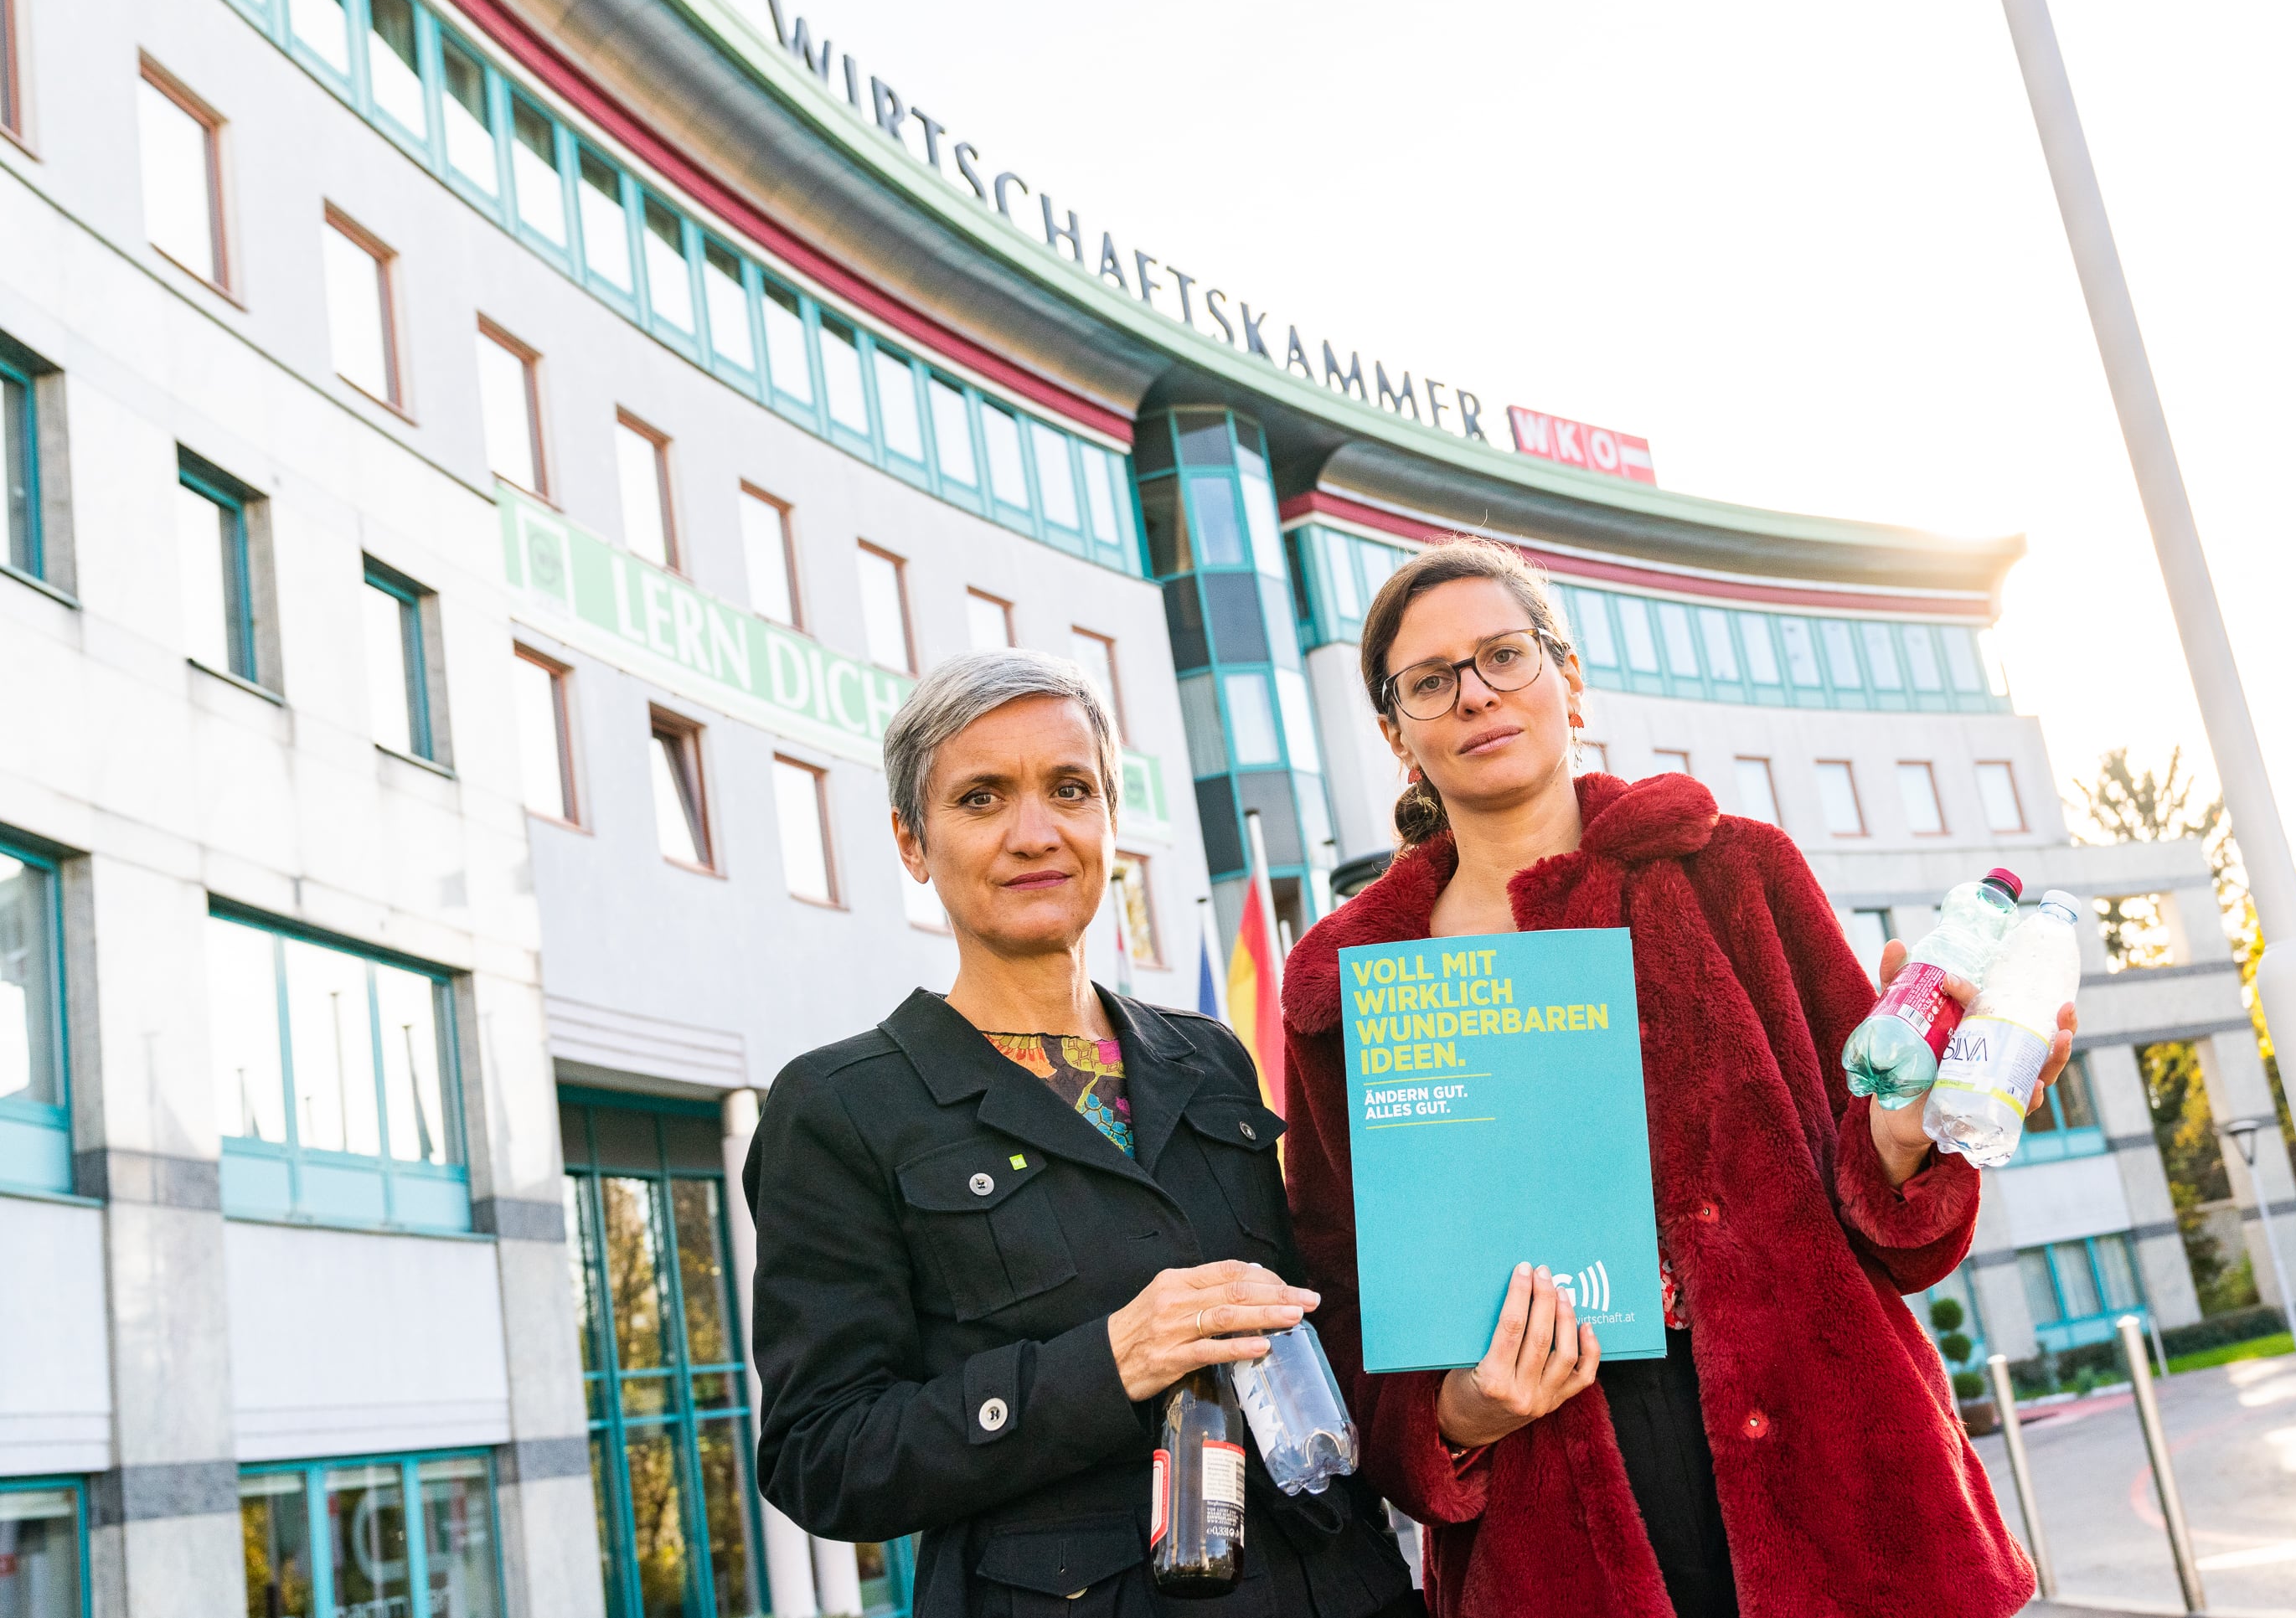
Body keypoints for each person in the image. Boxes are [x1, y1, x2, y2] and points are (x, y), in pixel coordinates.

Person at [1277, 538, 2076, 1618]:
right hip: (1556, 1534)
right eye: (1431, 680)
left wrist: (1902, 1136)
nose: (1474, 695)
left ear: (1571, 681)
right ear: (1396, 734)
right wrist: (1457, 1415)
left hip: (1848, 1489)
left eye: (1505, 656)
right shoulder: (1353, 992)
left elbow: (1895, 1225)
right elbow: (1342, 1304)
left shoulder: (1737, 873)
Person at [746, 648, 1418, 1618]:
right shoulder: (840, 1104)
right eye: (981, 798)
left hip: (1332, 1587)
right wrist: (1105, 1364)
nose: (1035, 833)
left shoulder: (1211, 1056)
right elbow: (824, 1456)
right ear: (910, 839)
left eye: (1070, 789)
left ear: (1108, 816)